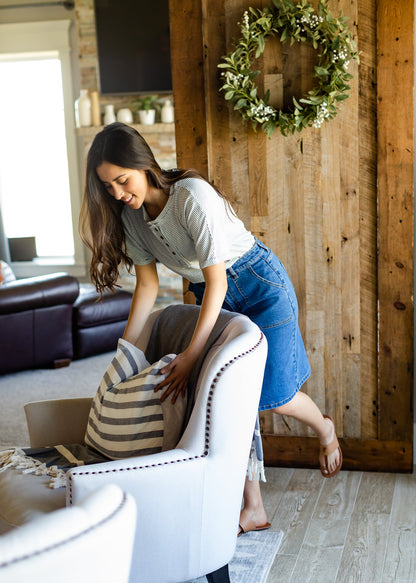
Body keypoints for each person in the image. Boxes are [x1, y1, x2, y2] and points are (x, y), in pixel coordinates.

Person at [79, 122, 343, 535]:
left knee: (271, 396)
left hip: (257, 285)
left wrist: (191, 356)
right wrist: (124, 356)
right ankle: (252, 507)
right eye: (107, 186)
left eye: (121, 180)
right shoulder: (132, 218)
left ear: (143, 164)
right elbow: (148, 286)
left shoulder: (191, 197)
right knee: (227, 399)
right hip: (212, 292)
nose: (116, 193)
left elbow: (219, 280)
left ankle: (324, 428)